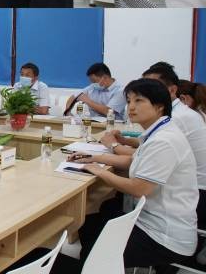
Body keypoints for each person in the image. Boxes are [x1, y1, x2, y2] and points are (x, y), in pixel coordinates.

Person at [69, 78, 197, 270]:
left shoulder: (164, 140)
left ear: (160, 106)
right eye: (129, 101)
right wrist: (94, 158)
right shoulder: (158, 131)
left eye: (139, 100)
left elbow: (139, 188)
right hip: (151, 220)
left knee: (95, 252)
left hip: (163, 235)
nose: (131, 107)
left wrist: (98, 171)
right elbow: (133, 161)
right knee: (91, 223)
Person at [141, 63, 206, 226]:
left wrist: (114, 147)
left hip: (194, 195)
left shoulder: (178, 118)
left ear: (172, 90)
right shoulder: (178, 113)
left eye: (152, 88)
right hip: (188, 188)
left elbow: (147, 153)